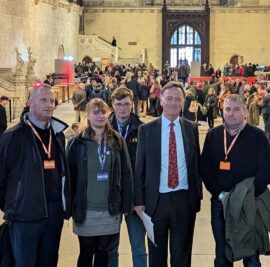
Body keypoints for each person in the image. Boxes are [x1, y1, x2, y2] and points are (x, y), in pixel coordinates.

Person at [200, 94, 270, 266]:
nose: (231, 113)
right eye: (227, 109)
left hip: (249, 205)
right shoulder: (213, 135)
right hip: (220, 203)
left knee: (251, 257)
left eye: (236, 109)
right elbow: (204, 168)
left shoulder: (257, 136)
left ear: (245, 112)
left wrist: (245, 196)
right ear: (222, 111)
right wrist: (220, 195)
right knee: (222, 255)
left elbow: (266, 170)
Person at [0, 84, 71, 267]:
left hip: (53, 214)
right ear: (30, 103)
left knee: (48, 262)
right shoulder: (12, 137)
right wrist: (13, 205)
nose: (49, 105)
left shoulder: (57, 135)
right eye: (44, 100)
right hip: (24, 216)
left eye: (52, 100)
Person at [134, 81, 202, 267]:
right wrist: (139, 201)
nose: (173, 102)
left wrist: (197, 197)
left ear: (183, 103)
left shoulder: (191, 128)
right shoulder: (146, 130)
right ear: (161, 100)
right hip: (156, 202)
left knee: (182, 254)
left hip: (184, 200)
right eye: (169, 98)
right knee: (157, 255)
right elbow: (140, 167)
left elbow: (195, 163)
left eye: (177, 99)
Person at [67, 98, 133, 267]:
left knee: (103, 252)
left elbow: (126, 174)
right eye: (95, 112)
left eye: (103, 112)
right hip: (85, 209)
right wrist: (69, 206)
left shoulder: (117, 141)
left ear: (108, 113)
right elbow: (69, 177)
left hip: (109, 209)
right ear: (87, 115)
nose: (100, 116)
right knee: (86, 251)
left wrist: (125, 205)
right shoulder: (77, 143)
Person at [108, 87, 147, 267]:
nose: (122, 108)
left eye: (126, 104)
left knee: (139, 247)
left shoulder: (143, 130)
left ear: (132, 105)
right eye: (118, 104)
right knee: (110, 247)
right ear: (112, 105)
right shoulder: (102, 129)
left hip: (135, 198)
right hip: (111, 197)